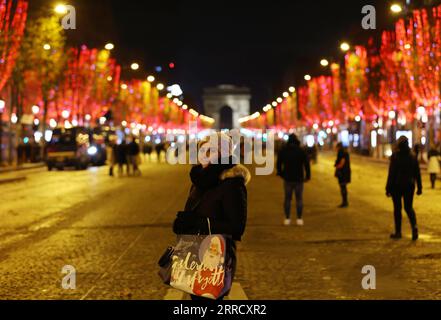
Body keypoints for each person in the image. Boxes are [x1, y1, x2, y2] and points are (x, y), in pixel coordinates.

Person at [173, 132, 250, 301]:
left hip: (215, 256)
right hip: (193, 254)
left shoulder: (232, 183)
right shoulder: (200, 179)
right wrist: (184, 223)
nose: (204, 156)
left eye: (210, 151)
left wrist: (198, 223)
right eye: (202, 150)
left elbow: (237, 226)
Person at [386, 136, 422, 241]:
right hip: (409, 186)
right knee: (408, 207)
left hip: (396, 186)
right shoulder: (413, 157)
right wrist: (419, 187)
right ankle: (414, 227)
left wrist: (388, 188)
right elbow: (417, 174)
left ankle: (398, 232)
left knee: (397, 209)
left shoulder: (395, 157)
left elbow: (391, 174)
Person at [277, 134, 311, 226]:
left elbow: (278, 163)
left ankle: (287, 218)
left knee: (287, 199)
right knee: (299, 199)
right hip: (299, 179)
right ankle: (299, 219)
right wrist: (308, 176)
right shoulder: (301, 151)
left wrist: (281, 174)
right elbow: (307, 165)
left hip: (287, 178)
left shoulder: (284, 151)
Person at [334, 143, 351, 208]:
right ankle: (345, 202)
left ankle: (345, 202)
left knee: (343, 187)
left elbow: (342, 162)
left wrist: (337, 167)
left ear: (338, 147)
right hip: (346, 172)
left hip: (343, 173)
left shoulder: (341, 153)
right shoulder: (345, 152)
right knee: (343, 187)